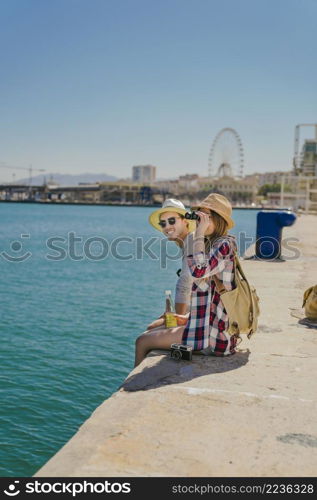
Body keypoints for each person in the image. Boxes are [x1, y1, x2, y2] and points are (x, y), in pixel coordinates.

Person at [134, 193, 238, 367]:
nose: (201, 222)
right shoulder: (211, 244)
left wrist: (198, 234)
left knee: (142, 341)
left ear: (219, 220)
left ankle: (135, 389)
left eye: (207, 218)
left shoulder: (224, 245)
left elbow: (197, 272)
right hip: (208, 328)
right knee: (153, 329)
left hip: (213, 339)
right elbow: (211, 298)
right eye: (199, 218)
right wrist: (185, 317)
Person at [146, 198, 196, 330]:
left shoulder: (192, 241)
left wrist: (177, 318)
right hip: (198, 311)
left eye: (172, 221)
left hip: (203, 319)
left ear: (185, 221)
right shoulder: (188, 241)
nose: (167, 226)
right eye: (163, 223)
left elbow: (185, 283)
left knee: (148, 332)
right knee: (153, 327)